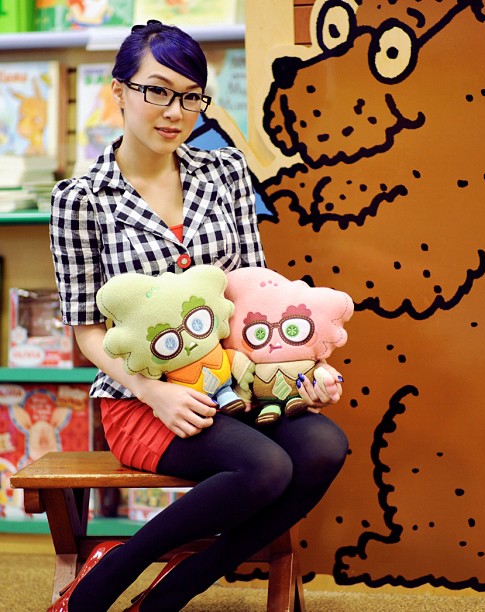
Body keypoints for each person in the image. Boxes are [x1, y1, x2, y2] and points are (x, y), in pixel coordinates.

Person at [48, 20, 348, 612]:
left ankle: (167, 593)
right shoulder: (80, 199)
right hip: (141, 400)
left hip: (233, 380)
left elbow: (253, 290)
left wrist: (293, 376)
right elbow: (87, 330)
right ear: (119, 90)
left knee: (322, 446)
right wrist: (153, 392)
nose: (174, 112)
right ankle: (109, 572)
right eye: (157, 91)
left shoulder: (225, 172)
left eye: (190, 97)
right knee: (265, 467)